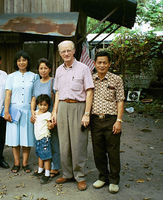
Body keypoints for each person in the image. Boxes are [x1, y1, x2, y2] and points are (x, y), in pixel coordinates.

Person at [52, 40, 94, 191]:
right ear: (60, 53)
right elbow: (57, 92)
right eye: (63, 51)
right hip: (63, 106)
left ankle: (80, 176)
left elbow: (89, 91)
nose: (66, 54)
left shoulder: (84, 68)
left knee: (78, 144)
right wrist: (54, 111)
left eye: (68, 50)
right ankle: (67, 173)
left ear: (74, 51)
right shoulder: (58, 70)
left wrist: (87, 114)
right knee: (64, 144)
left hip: (79, 107)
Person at [90, 51, 124, 194]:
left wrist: (119, 121)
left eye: (105, 62)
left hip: (111, 120)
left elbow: (120, 100)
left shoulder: (116, 79)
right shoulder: (90, 79)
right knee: (98, 151)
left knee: (113, 151)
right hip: (95, 120)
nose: (102, 65)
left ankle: (114, 179)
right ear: (94, 64)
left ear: (109, 64)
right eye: (99, 62)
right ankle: (103, 177)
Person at [4, 50, 39, 173]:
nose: (21, 62)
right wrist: (6, 111)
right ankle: (16, 163)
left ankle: (25, 163)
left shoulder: (34, 76)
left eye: (24, 60)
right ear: (16, 62)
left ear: (28, 61)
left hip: (28, 110)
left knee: (27, 138)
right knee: (15, 138)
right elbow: (8, 95)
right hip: (14, 110)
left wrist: (34, 111)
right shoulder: (11, 77)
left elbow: (35, 96)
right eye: (19, 60)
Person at [30, 58, 60, 178]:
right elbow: (33, 99)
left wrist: (54, 113)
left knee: (53, 141)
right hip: (39, 116)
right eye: (41, 68)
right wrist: (33, 112)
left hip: (50, 115)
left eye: (45, 68)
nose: (43, 70)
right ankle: (42, 168)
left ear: (50, 69)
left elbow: (57, 97)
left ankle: (55, 167)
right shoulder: (36, 83)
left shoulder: (53, 81)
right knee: (41, 141)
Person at [32, 94, 55, 184]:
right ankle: (40, 170)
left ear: (48, 105)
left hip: (44, 138)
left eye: (45, 105)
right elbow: (32, 120)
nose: (42, 107)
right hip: (38, 138)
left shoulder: (48, 115)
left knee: (46, 156)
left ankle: (47, 174)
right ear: (37, 105)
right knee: (39, 154)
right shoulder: (36, 113)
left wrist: (51, 125)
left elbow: (51, 124)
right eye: (41, 105)